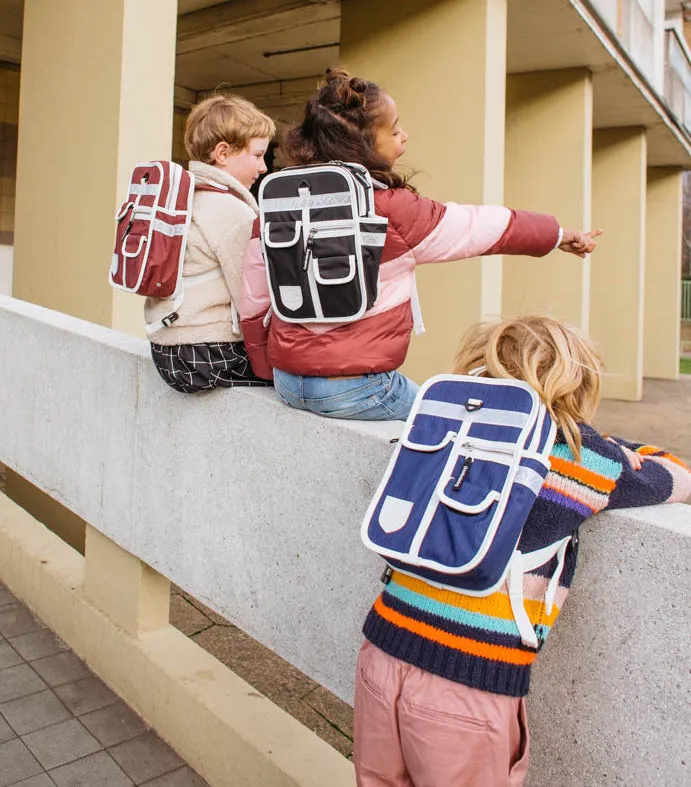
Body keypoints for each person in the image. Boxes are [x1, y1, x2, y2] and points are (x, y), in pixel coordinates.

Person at [353, 315, 691, 787]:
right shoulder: (582, 458)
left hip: (381, 651)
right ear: (576, 379)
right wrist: (610, 445)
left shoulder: (442, 426)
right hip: (468, 678)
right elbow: (673, 475)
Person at [239, 69, 602, 419]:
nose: (405, 137)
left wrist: (264, 367)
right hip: (358, 389)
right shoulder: (393, 210)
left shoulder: (276, 203)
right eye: (395, 131)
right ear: (363, 143)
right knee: (456, 424)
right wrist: (557, 235)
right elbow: (484, 227)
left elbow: (254, 300)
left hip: (287, 381)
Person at [146, 94, 275, 393]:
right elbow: (252, 301)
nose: (264, 168)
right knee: (303, 383)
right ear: (223, 153)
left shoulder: (185, 197)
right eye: (258, 155)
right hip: (207, 355)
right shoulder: (230, 210)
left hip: (167, 351)